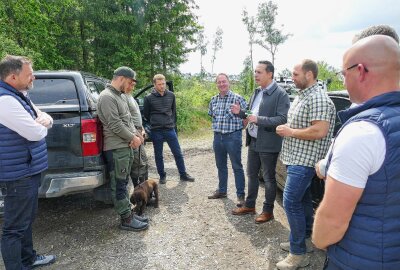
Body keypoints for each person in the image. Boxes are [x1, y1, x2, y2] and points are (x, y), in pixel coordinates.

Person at [313, 35, 400, 270]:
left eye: (344, 73)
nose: (343, 79)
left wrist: (318, 240)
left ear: (360, 71)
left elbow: (332, 222)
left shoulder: (363, 132)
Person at [275, 59, 336, 269]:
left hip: (305, 162)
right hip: (295, 158)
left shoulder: (318, 98)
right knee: (302, 201)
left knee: (291, 202)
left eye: (295, 74)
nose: (292, 78)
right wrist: (289, 127)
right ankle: (305, 241)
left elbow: (320, 131)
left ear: (309, 75)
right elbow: (303, 125)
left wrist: (290, 132)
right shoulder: (303, 96)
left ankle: (298, 253)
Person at [0, 55, 56, 269]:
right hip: (18, 174)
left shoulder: (20, 94)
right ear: (13, 77)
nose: (34, 76)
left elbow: (44, 117)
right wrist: (42, 124)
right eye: (29, 73)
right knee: (14, 227)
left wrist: (44, 120)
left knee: (27, 219)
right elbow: (35, 133)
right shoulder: (5, 101)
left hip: (28, 168)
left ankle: (28, 258)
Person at [231, 60, 290, 224]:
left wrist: (258, 119)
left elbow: (283, 119)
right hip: (254, 140)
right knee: (251, 174)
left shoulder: (280, 94)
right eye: (255, 72)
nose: (255, 75)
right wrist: (241, 113)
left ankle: (267, 211)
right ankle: (250, 205)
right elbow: (252, 113)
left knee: (269, 179)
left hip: (269, 143)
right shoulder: (257, 91)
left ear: (269, 74)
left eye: (259, 72)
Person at [97, 66, 148, 231]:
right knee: (119, 184)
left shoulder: (120, 96)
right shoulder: (107, 97)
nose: (131, 86)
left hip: (124, 146)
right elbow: (115, 124)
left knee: (124, 182)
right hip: (116, 148)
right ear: (121, 78)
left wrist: (137, 135)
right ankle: (126, 219)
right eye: (130, 82)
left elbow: (127, 120)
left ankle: (128, 214)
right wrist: (132, 138)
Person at [143, 74, 194, 184]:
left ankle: (183, 174)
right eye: (159, 84)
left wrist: (172, 123)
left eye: (163, 84)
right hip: (156, 131)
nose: (162, 86)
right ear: (154, 85)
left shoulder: (171, 95)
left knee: (178, 153)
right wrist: (155, 122)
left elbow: (173, 112)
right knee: (158, 155)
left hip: (169, 129)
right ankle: (162, 175)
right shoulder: (148, 98)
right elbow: (146, 114)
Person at [207, 73, 247, 207]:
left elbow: (247, 116)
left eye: (224, 81)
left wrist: (240, 129)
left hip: (233, 137)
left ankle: (240, 196)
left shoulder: (238, 98)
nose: (222, 84)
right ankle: (222, 191)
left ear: (229, 82)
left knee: (237, 166)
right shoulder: (213, 100)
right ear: (216, 84)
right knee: (221, 166)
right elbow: (212, 116)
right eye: (219, 82)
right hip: (217, 137)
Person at [124, 81, 149, 187]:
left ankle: (147, 192)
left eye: (134, 85)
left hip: (139, 131)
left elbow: (136, 116)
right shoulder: (122, 98)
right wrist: (137, 134)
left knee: (144, 162)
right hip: (133, 134)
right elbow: (126, 120)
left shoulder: (130, 97)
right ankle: (139, 192)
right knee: (138, 165)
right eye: (130, 84)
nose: (132, 87)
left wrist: (142, 129)